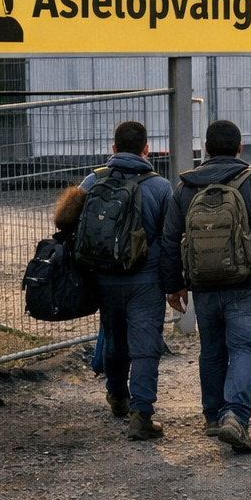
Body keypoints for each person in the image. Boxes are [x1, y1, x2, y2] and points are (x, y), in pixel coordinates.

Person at [159, 119, 251, 454]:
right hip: (250, 282)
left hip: (204, 284)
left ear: (206, 149)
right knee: (245, 349)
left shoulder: (186, 187)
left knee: (213, 349)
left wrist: (174, 285)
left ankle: (212, 415)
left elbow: (168, 240)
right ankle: (235, 414)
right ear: (239, 149)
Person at [78, 121, 173, 440]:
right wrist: (174, 282)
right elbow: (170, 238)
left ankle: (117, 396)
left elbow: (73, 224)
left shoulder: (93, 180)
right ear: (147, 149)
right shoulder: (160, 187)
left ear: (113, 148)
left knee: (114, 336)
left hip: (104, 277)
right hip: (146, 279)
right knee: (146, 344)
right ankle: (141, 413)